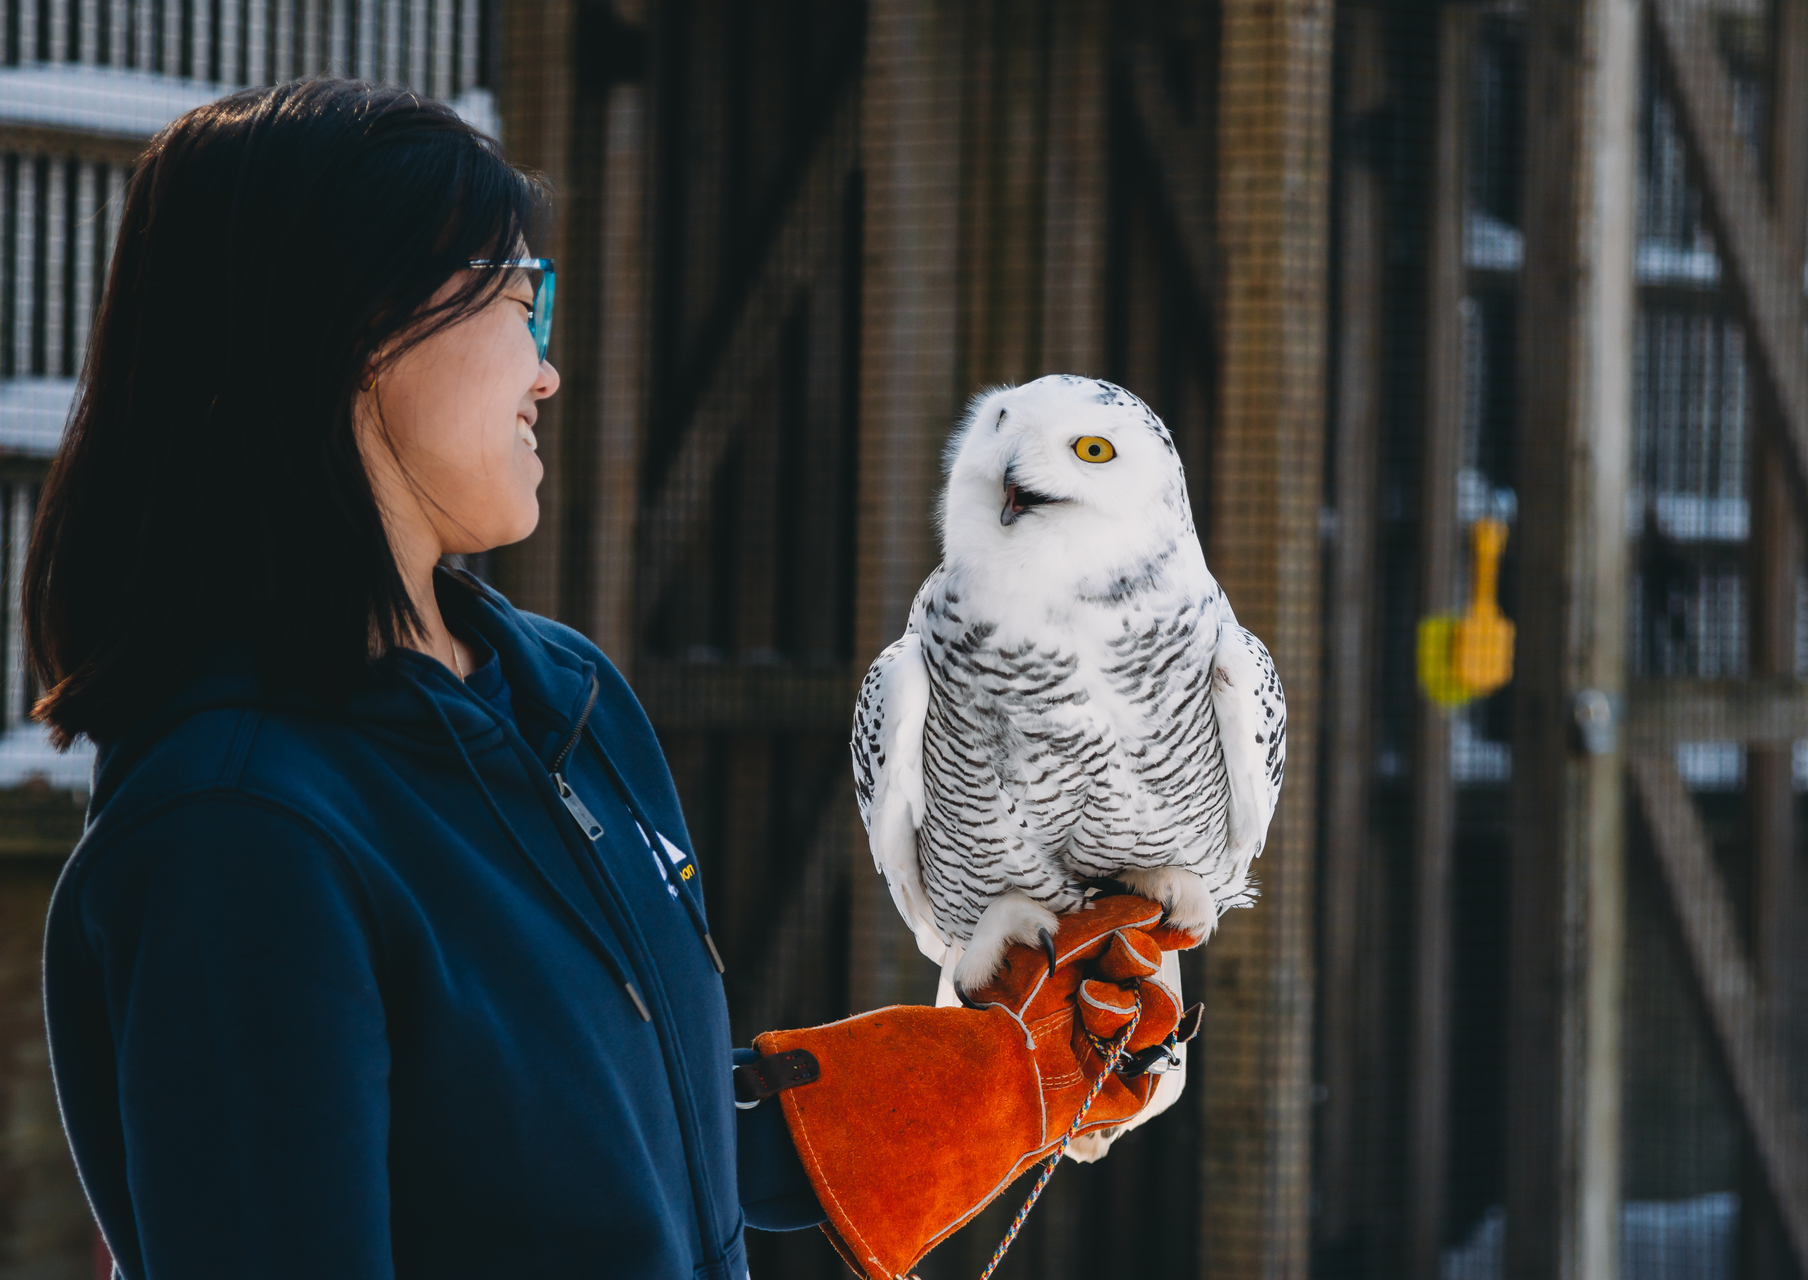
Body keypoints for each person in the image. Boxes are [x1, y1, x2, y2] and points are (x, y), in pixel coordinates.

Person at [28, 79, 1197, 1280]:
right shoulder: (237, 829)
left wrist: (988, 1074)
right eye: (519, 301)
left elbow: (594, 1149)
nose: (547, 370)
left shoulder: (560, 694)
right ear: (357, 332)